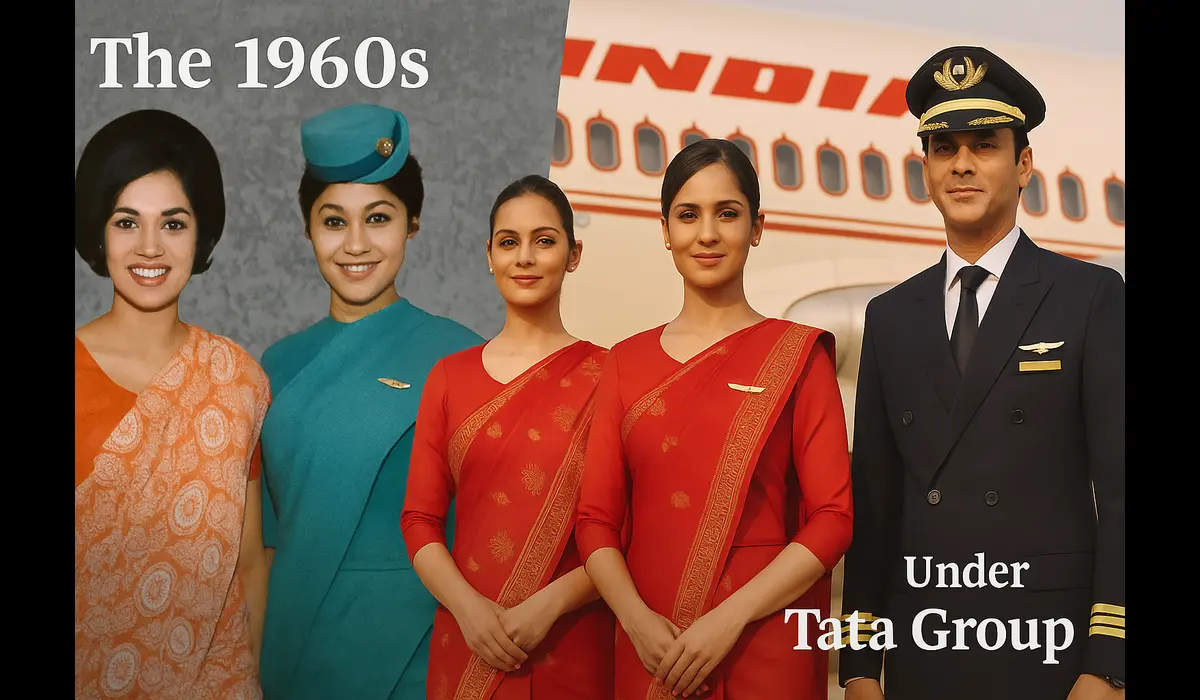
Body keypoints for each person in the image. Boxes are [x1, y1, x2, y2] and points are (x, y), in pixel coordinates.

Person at [838, 46, 1125, 700]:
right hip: (927, 655)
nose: (962, 163)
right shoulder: (890, 317)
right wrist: (859, 666)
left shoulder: (1088, 297)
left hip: (1050, 658)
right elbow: (876, 509)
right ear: (926, 168)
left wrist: (1108, 664)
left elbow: (1121, 496)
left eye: (985, 145)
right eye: (943, 147)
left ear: (1024, 165)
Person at [575, 139, 854, 700]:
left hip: (763, 641)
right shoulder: (625, 363)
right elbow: (595, 521)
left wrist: (729, 620)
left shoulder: (798, 355)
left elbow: (833, 518)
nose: (707, 234)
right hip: (654, 647)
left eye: (727, 214)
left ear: (756, 227)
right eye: (687, 215)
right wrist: (635, 621)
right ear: (664, 231)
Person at [257, 103, 483, 700]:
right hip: (293, 656)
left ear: (413, 222)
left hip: (420, 656)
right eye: (334, 221)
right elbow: (260, 547)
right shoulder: (275, 367)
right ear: (308, 227)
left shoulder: (465, 359)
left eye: (378, 217)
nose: (355, 244)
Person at [75, 109, 270, 699]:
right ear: (98, 232)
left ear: (202, 234)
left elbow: (250, 566)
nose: (151, 247)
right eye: (127, 221)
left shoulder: (237, 380)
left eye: (174, 224)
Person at [401, 175, 616, 700]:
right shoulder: (449, 378)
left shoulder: (610, 376)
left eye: (544, 241)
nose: (525, 257)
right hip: (468, 642)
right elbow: (419, 520)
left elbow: (623, 529)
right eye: (509, 242)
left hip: (572, 640)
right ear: (489, 256)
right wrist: (469, 611)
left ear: (574, 254)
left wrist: (549, 605)